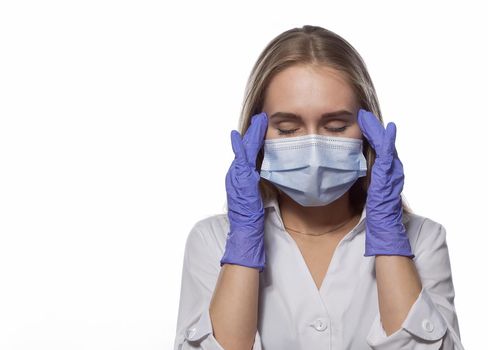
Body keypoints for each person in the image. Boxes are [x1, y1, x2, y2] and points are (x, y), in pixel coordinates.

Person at [174, 25, 465, 350]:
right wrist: (243, 243)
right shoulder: (212, 242)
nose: (312, 148)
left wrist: (388, 236)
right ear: (257, 134)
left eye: (336, 126)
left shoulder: (423, 240)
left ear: (368, 130)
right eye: (287, 128)